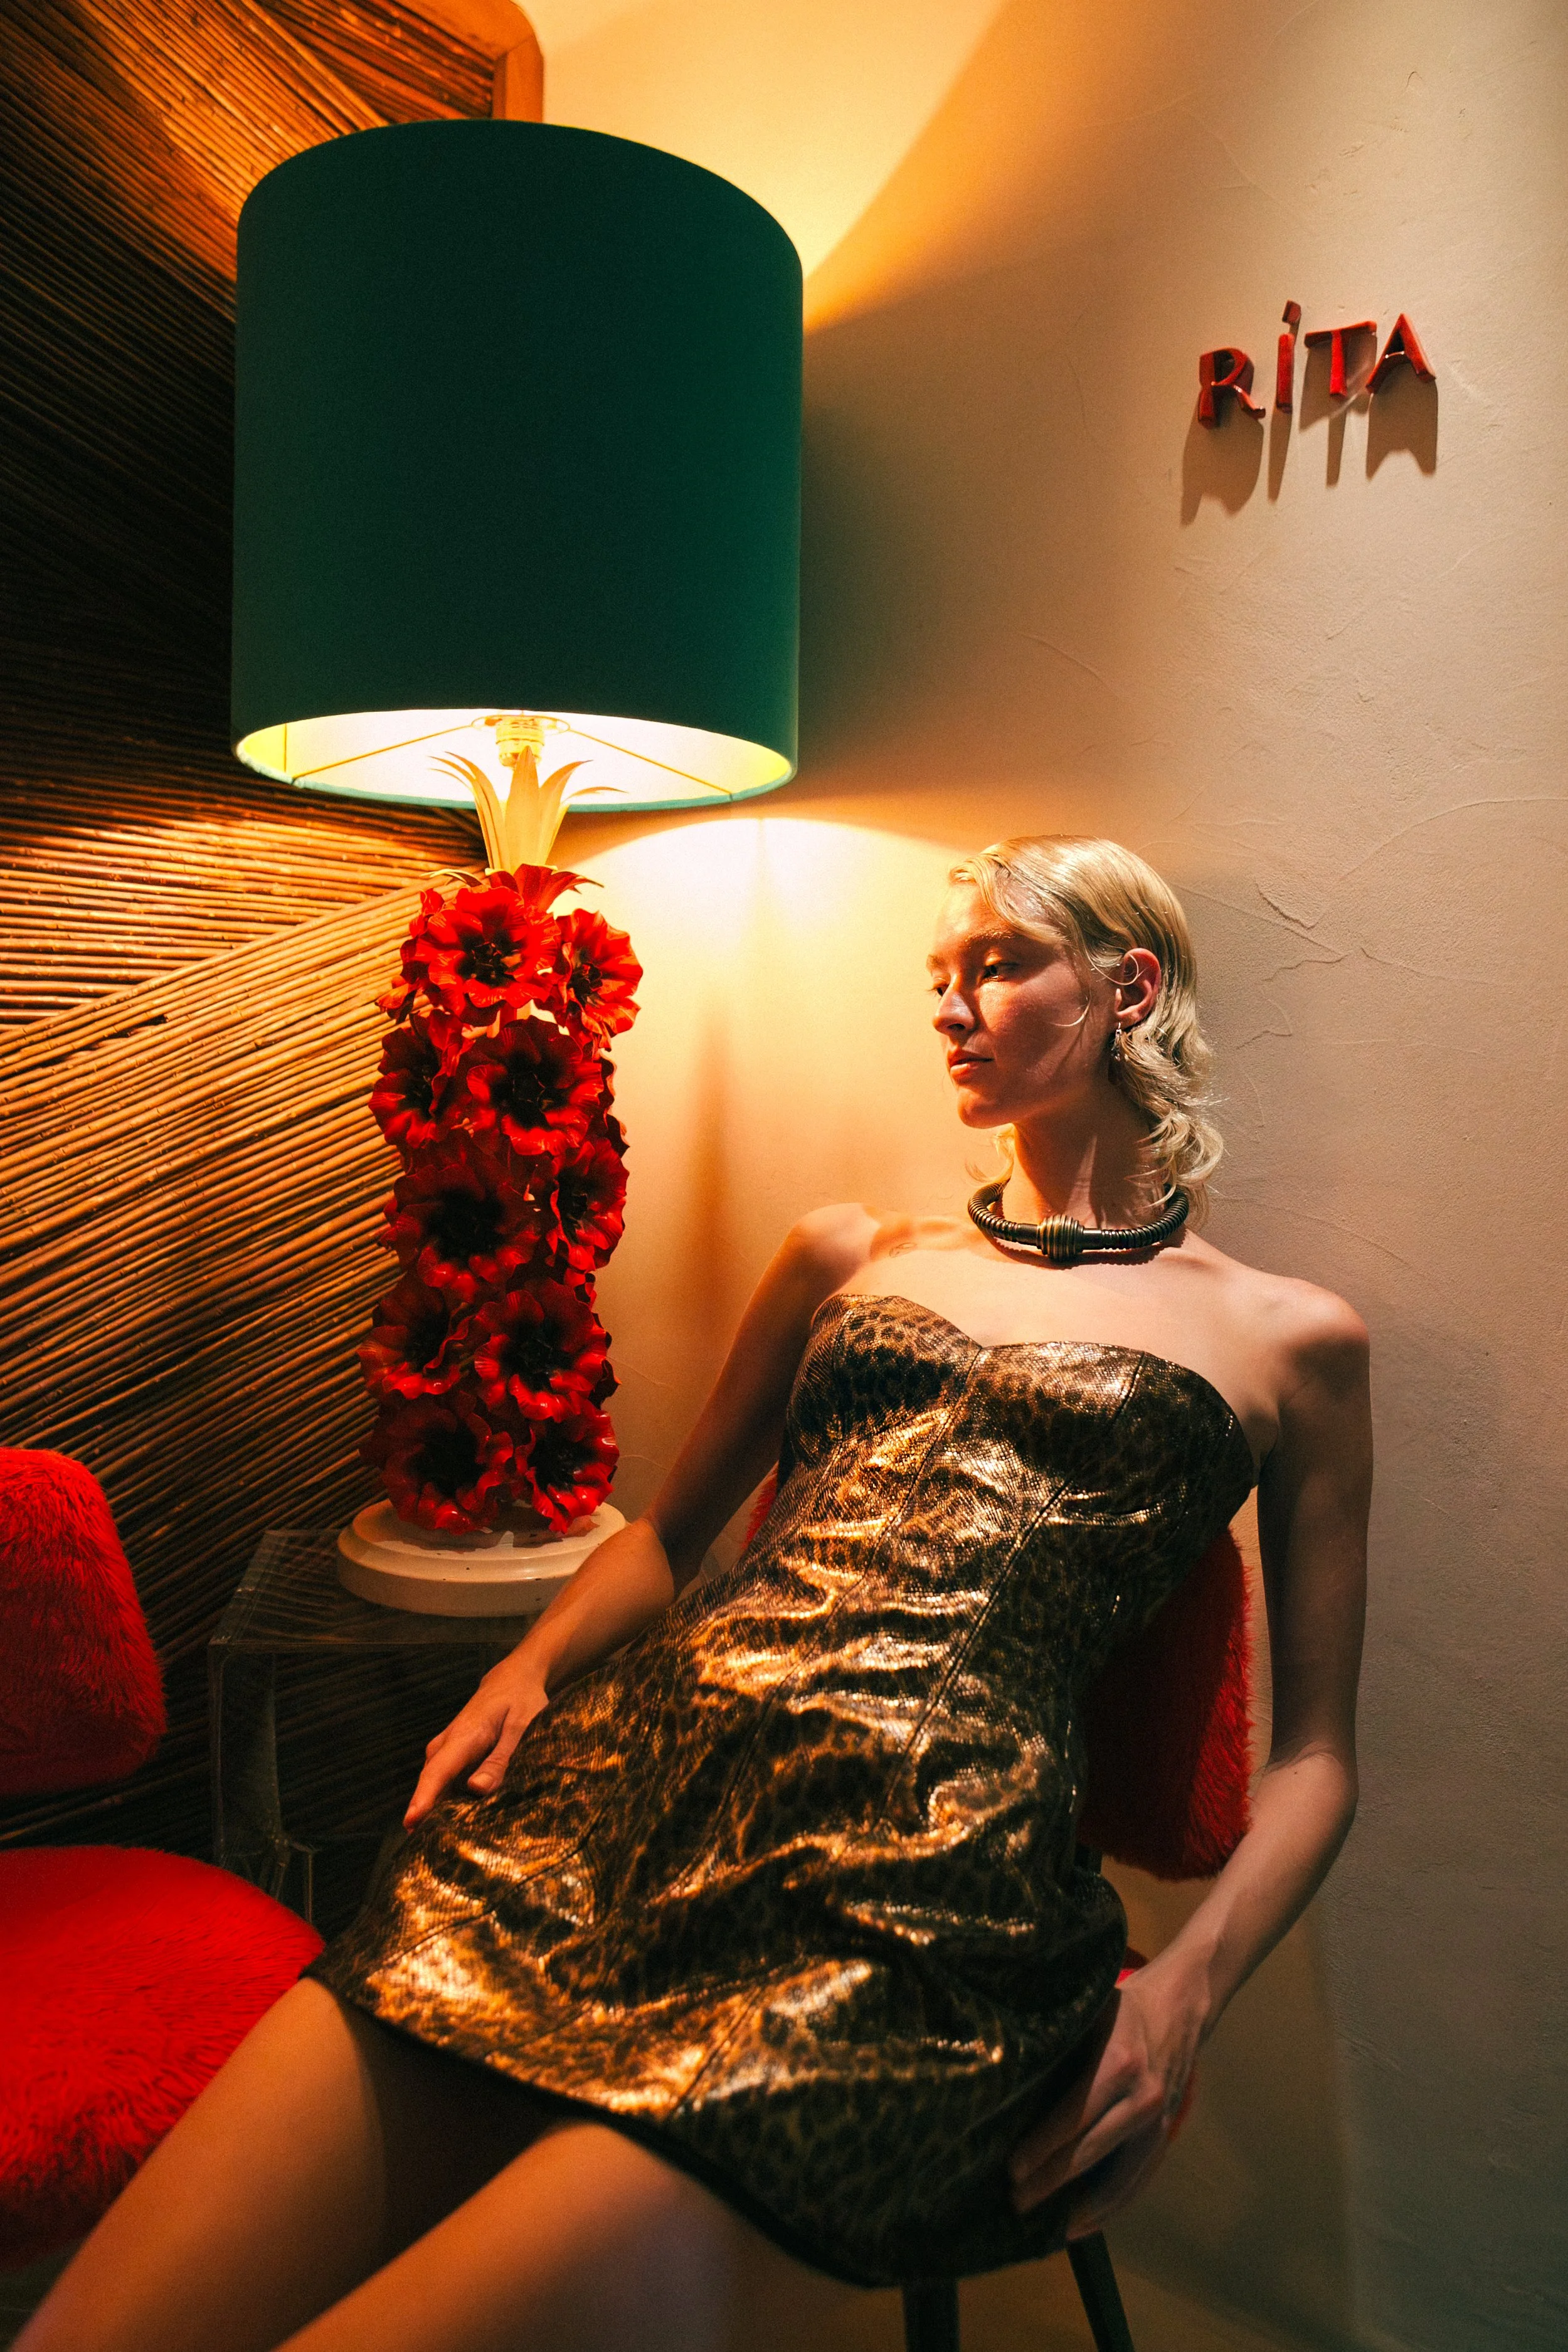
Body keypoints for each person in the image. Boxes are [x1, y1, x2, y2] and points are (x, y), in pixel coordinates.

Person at [23, 835, 1370, 2352]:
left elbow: (1315, 1759)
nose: (949, 1004)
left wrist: (1180, 1994)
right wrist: (525, 1669)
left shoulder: (1286, 1340)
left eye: (996, 962)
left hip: (914, 1904)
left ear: (1129, 987)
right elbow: (665, 1543)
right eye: (936, 976)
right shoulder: (849, 1251)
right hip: (623, 1803)